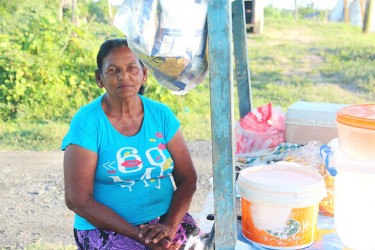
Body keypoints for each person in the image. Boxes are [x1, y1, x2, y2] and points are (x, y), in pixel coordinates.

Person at [62, 38, 200, 250]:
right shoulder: (87, 122)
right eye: (113, 70)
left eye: (131, 68)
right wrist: (140, 237)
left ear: (144, 75)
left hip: (164, 222)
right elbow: (77, 199)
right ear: (99, 78)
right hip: (107, 228)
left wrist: (169, 228)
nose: (123, 76)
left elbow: (187, 178)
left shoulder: (161, 115)